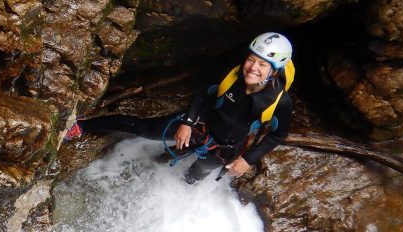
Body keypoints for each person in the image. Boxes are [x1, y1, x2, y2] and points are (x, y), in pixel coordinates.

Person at [64, 32, 294, 184]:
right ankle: (83, 125)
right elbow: (203, 91)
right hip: (199, 124)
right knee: (142, 128)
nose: (253, 68)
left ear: (274, 70)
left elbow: (278, 134)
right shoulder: (229, 74)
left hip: (225, 147)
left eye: (263, 64)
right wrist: (187, 122)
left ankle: (175, 192)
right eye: (251, 59)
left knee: (195, 176)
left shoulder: (279, 102)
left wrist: (248, 160)